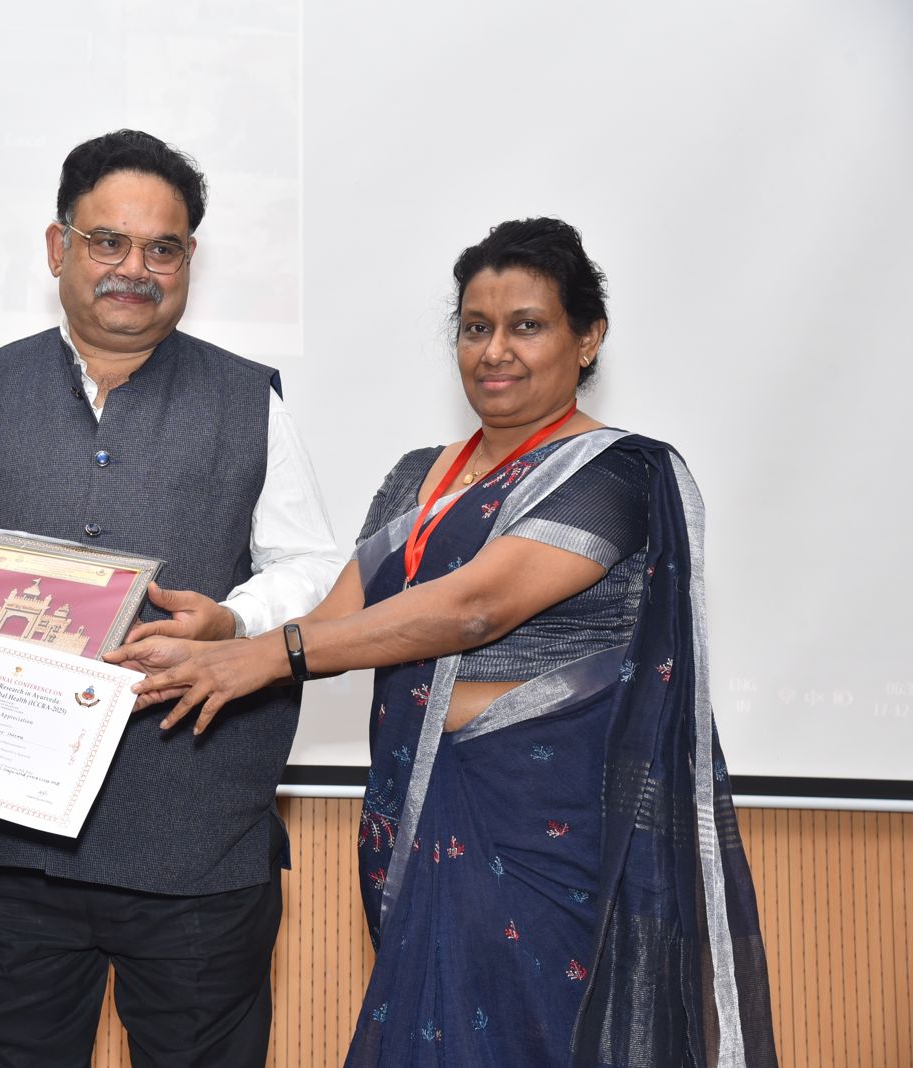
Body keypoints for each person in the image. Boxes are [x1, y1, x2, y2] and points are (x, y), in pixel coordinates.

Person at [109, 218, 777, 1066]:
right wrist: (224, 636)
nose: (495, 351)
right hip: (418, 818)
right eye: (475, 327)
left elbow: (475, 609)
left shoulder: (617, 473)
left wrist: (266, 655)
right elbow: (334, 622)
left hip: (546, 836)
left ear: (587, 338)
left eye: (527, 326)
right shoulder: (414, 477)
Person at [0, 130, 345, 1067]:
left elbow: (313, 570)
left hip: (197, 846)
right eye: (108, 242)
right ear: (60, 247)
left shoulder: (248, 398)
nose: (135, 268)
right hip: (8, 844)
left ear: (189, 260)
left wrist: (233, 623)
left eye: (162, 248)